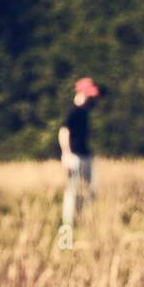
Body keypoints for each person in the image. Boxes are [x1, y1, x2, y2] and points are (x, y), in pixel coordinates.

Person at [58, 76, 99, 227]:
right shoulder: (73, 112)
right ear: (82, 93)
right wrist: (66, 154)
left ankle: (83, 219)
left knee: (89, 190)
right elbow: (63, 132)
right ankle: (68, 223)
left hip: (85, 155)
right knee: (72, 191)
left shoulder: (84, 111)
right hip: (75, 156)